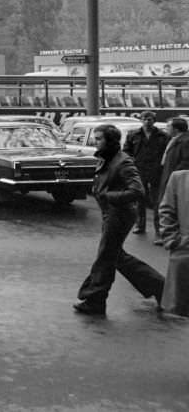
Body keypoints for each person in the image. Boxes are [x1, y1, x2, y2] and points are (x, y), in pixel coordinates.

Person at [73, 124, 165, 316]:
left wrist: (109, 196)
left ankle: (95, 301)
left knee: (106, 257)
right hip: (112, 213)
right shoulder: (107, 157)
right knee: (116, 257)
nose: (94, 142)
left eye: (99, 139)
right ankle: (161, 288)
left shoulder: (123, 162)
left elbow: (138, 191)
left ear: (111, 140)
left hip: (119, 214)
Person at [123, 111, 168, 235]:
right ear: (141, 120)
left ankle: (158, 229)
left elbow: (167, 152)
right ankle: (140, 225)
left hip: (156, 171)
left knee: (157, 201)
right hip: (139, 171)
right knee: (139, 199)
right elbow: (126, 151)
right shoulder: (133, 135)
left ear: (154, 120)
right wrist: (131, 161)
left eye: (150, 119)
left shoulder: (162, 136)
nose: (147, 122)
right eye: (145, 119)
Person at [158, 170, 189, 316]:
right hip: (183, 257)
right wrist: (173, 240)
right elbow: (166, 210)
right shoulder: (179, 178)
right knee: (178, 311)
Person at [157, 117, 189, 245]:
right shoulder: (174, 140)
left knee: (171, 206)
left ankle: (171, 236)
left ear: (175, 129)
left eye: (168, 127)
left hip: (175, 180)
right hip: (169, 177)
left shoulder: (185, 141)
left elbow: (186, 161)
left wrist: (174, 177)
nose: (166, 129)